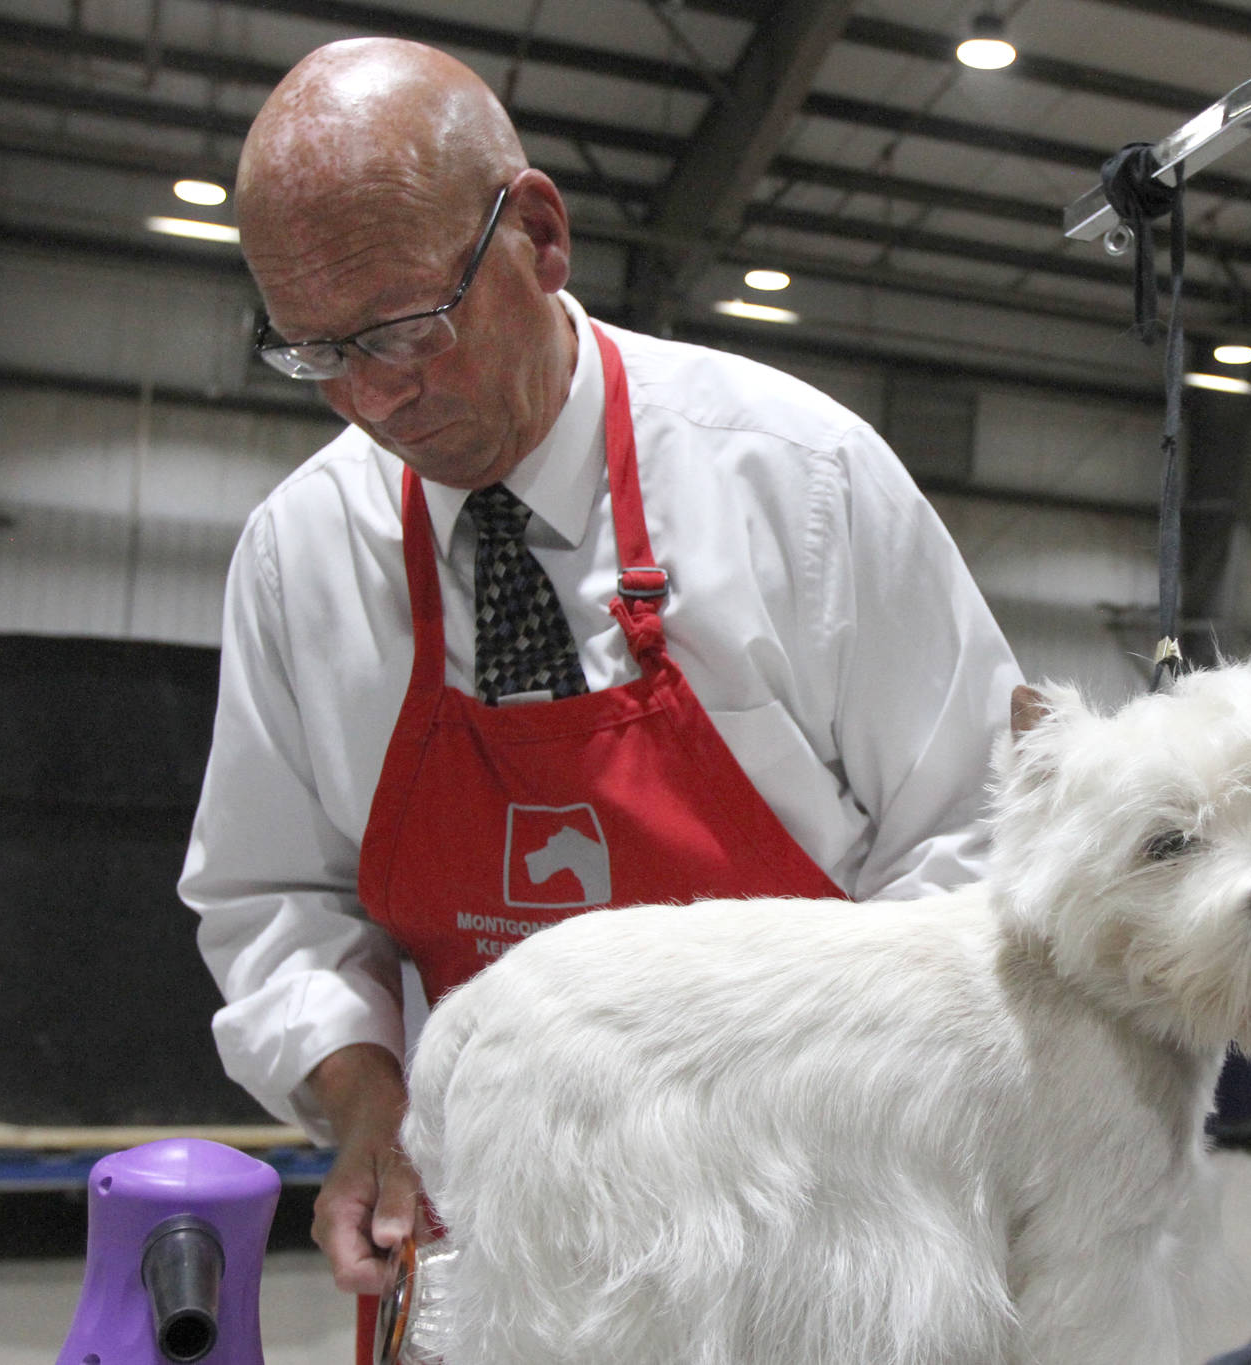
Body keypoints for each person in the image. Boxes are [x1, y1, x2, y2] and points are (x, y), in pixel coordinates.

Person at [177, 34, 1023, 1326]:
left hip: (811, 1232)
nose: (379, 397)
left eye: (406, 327)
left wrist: (794, 1119)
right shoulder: (305, 555)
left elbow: (982, 838)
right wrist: (365, 1103)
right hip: (488, 1235)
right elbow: (272, 897)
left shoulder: (801, 484)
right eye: (319, 352)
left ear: (539, 235)